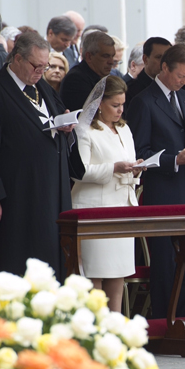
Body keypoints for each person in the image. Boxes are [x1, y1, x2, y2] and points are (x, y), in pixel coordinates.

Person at [0, 31, 78, 277]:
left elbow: (55, 118)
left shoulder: (43, 87)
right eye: (36, 65)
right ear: (16, 59)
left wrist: (65, 125)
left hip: (51, 191)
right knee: (18, 259)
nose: (42, 71)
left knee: (50, 256)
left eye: (45, 65)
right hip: (16, 195)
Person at [123, 44, 185, 318]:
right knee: (165, 264)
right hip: (161, 192)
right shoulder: (143, 101)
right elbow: (140, 153)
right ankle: (166, 322)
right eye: (180, 76)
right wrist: (175, 160)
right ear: (164, 68)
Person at [71, 76, 141, 312]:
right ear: (99, 104)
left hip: (122, 207)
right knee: (96, 273)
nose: (120, 110)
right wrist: (114, 168)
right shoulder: (84, 130)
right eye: (115, 105)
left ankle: (115, 326)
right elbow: (80, 171)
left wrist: (137, 168)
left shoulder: (124, 128)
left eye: (123, 104)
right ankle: (97, 329)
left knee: (118, 272)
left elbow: (128, 163)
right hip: (95, 209)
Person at [60, 30, 115, 111]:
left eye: (112, 56)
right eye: (105, 56)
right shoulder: (75, 80)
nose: (111, 62)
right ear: (89, 56)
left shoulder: (102, 77)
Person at [125, 37, 171, 107]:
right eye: (159, 57)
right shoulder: (130, 91)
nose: (164, 63)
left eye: (168, 58)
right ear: (145, 59)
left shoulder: (178, 87)